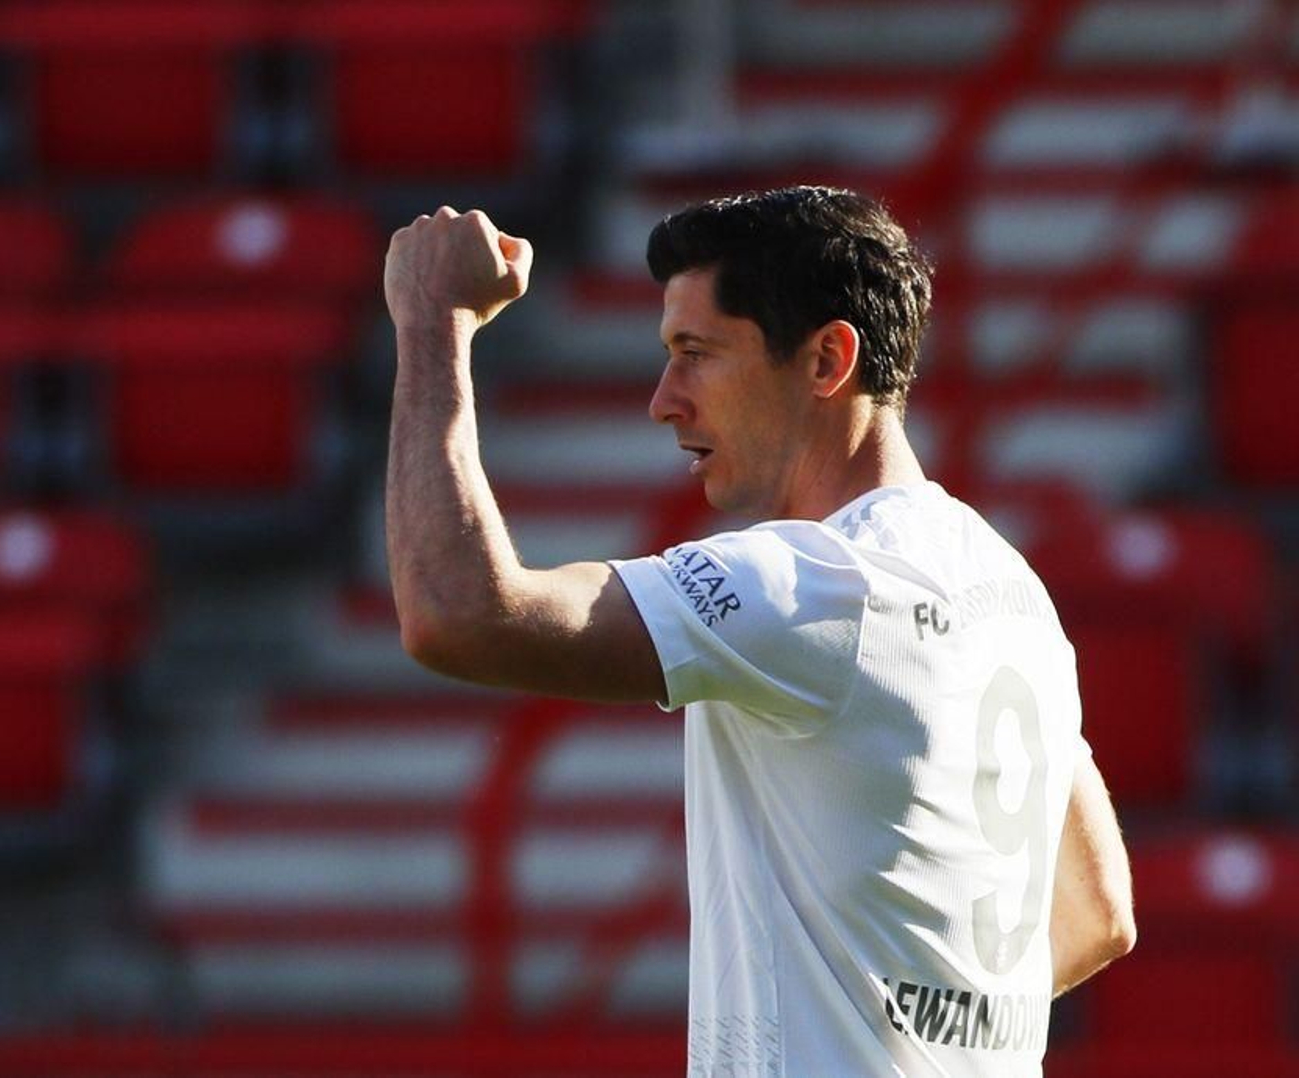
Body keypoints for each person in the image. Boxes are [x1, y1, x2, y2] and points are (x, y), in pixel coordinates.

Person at [382, 187, 1135, 1076]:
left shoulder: (811, 584)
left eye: (696, 354)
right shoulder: (1011, 591)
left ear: (827, 360)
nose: (664, 401)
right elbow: (1096, 915)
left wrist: (433, 324)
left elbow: (460, 612)